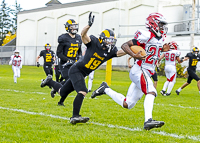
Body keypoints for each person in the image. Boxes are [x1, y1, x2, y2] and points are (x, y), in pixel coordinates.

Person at [40, 12, 142, 124]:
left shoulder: (110, 51)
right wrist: (88, 25)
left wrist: (134, 47)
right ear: (102, 39)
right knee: (83, 91)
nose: (110, 43)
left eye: (112, 41)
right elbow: (83, 35)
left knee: (62, 92)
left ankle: (49, 81)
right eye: (108, 40)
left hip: (83, 73)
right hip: (76, 70)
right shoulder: (93, 42)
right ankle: (75, 116)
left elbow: (121, 52)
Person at [92, 12, 169, 130]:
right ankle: (148, 120)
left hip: (146, 71)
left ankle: (105, 89)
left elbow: (151, 53)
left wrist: (162, 50)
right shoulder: (146, 35)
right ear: (153, 24)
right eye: (160, 25)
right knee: (151, 91)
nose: (162, 28)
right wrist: (134, 55)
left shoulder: (159, 39)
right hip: (139, 70)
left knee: (127, 104)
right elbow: (124, 45)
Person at [50, 19, 83, 99]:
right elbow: (59, 53)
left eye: (75, 26)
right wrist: (67, 59)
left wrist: (79, 58)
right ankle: (52, 84)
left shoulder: (78, 37)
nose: (74, 28)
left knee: (71, 81)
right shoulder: (64, 38)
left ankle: (55, 87)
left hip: (74, 63)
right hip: (65, 64)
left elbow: (79, 51)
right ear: (68, 28)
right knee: (70, 79)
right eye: (72, 26)